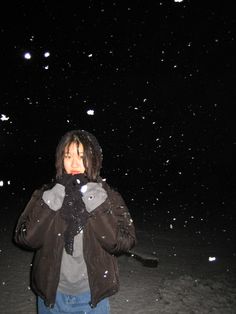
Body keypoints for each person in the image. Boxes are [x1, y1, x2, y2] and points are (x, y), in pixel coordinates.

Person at [14, 129, 136, 314]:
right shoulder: (46, 194)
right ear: (60, 159)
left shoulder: (108, 196)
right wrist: (50, 202)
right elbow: (25, 238)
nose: (74, 163)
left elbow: (122, 243)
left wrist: (95, 203)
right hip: (51, 296)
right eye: (67, 155)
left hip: (92, 298)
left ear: (93, 159)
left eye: (81, 155)